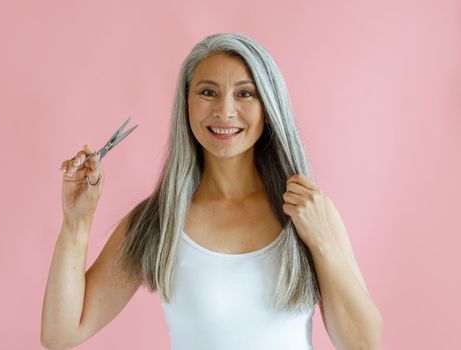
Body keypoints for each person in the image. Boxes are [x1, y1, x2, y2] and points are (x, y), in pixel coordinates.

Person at [41, 32, 383, 350]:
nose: (224, 110)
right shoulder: (158, 221)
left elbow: (364, 344)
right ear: (186, 103)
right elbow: (61, 333)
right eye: (208, 92)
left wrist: (323, 243)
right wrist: (77, 221)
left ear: (268, 105)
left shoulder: (307, 211)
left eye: (245, 93)